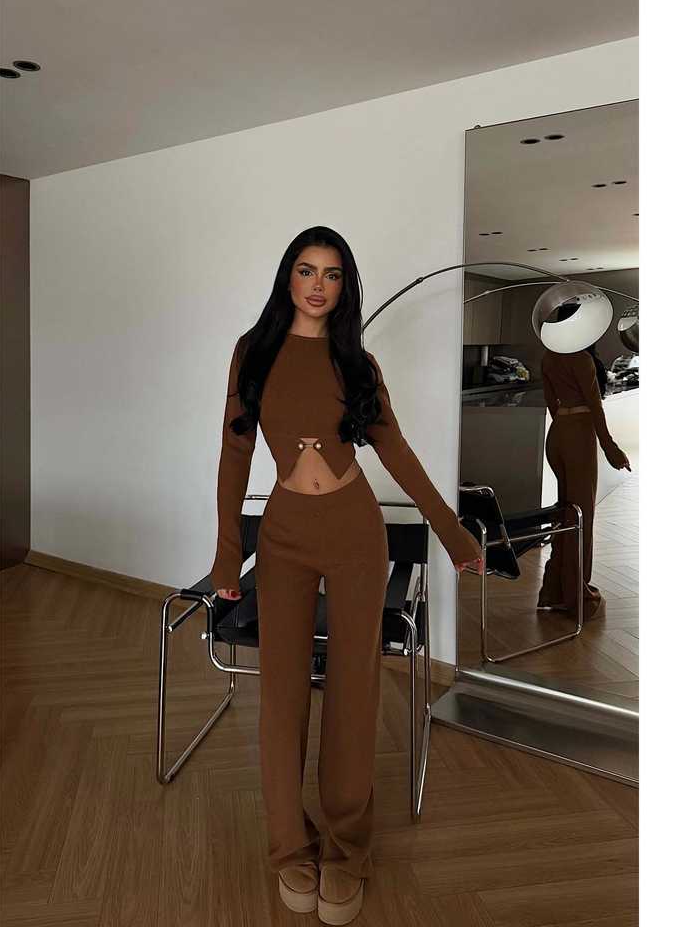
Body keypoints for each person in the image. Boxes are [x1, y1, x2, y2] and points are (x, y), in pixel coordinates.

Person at [210, 226, 483, 924]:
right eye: (307, 270)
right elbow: (234, 456)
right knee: (281, 696)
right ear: (288, 276)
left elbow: (397, 452)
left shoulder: (357, 363)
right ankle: (288, 846)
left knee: (354, 692)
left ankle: (346, 850)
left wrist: (451, 531)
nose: (317, 285)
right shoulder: (253, 352)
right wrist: (225, 554)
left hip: (356, 533)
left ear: (344, 288)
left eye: (332, 275)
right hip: (284, 536)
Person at [538, 347, 631, 622]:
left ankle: (554, 591)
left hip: (557, 433)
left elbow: (551, 402)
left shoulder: (549, 358)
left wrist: (564, 426)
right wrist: (611, 448)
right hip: (579, 433)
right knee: (581, 516)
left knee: (564, 512)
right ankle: (577, 596)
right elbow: (595, 405)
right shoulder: (582, 359)